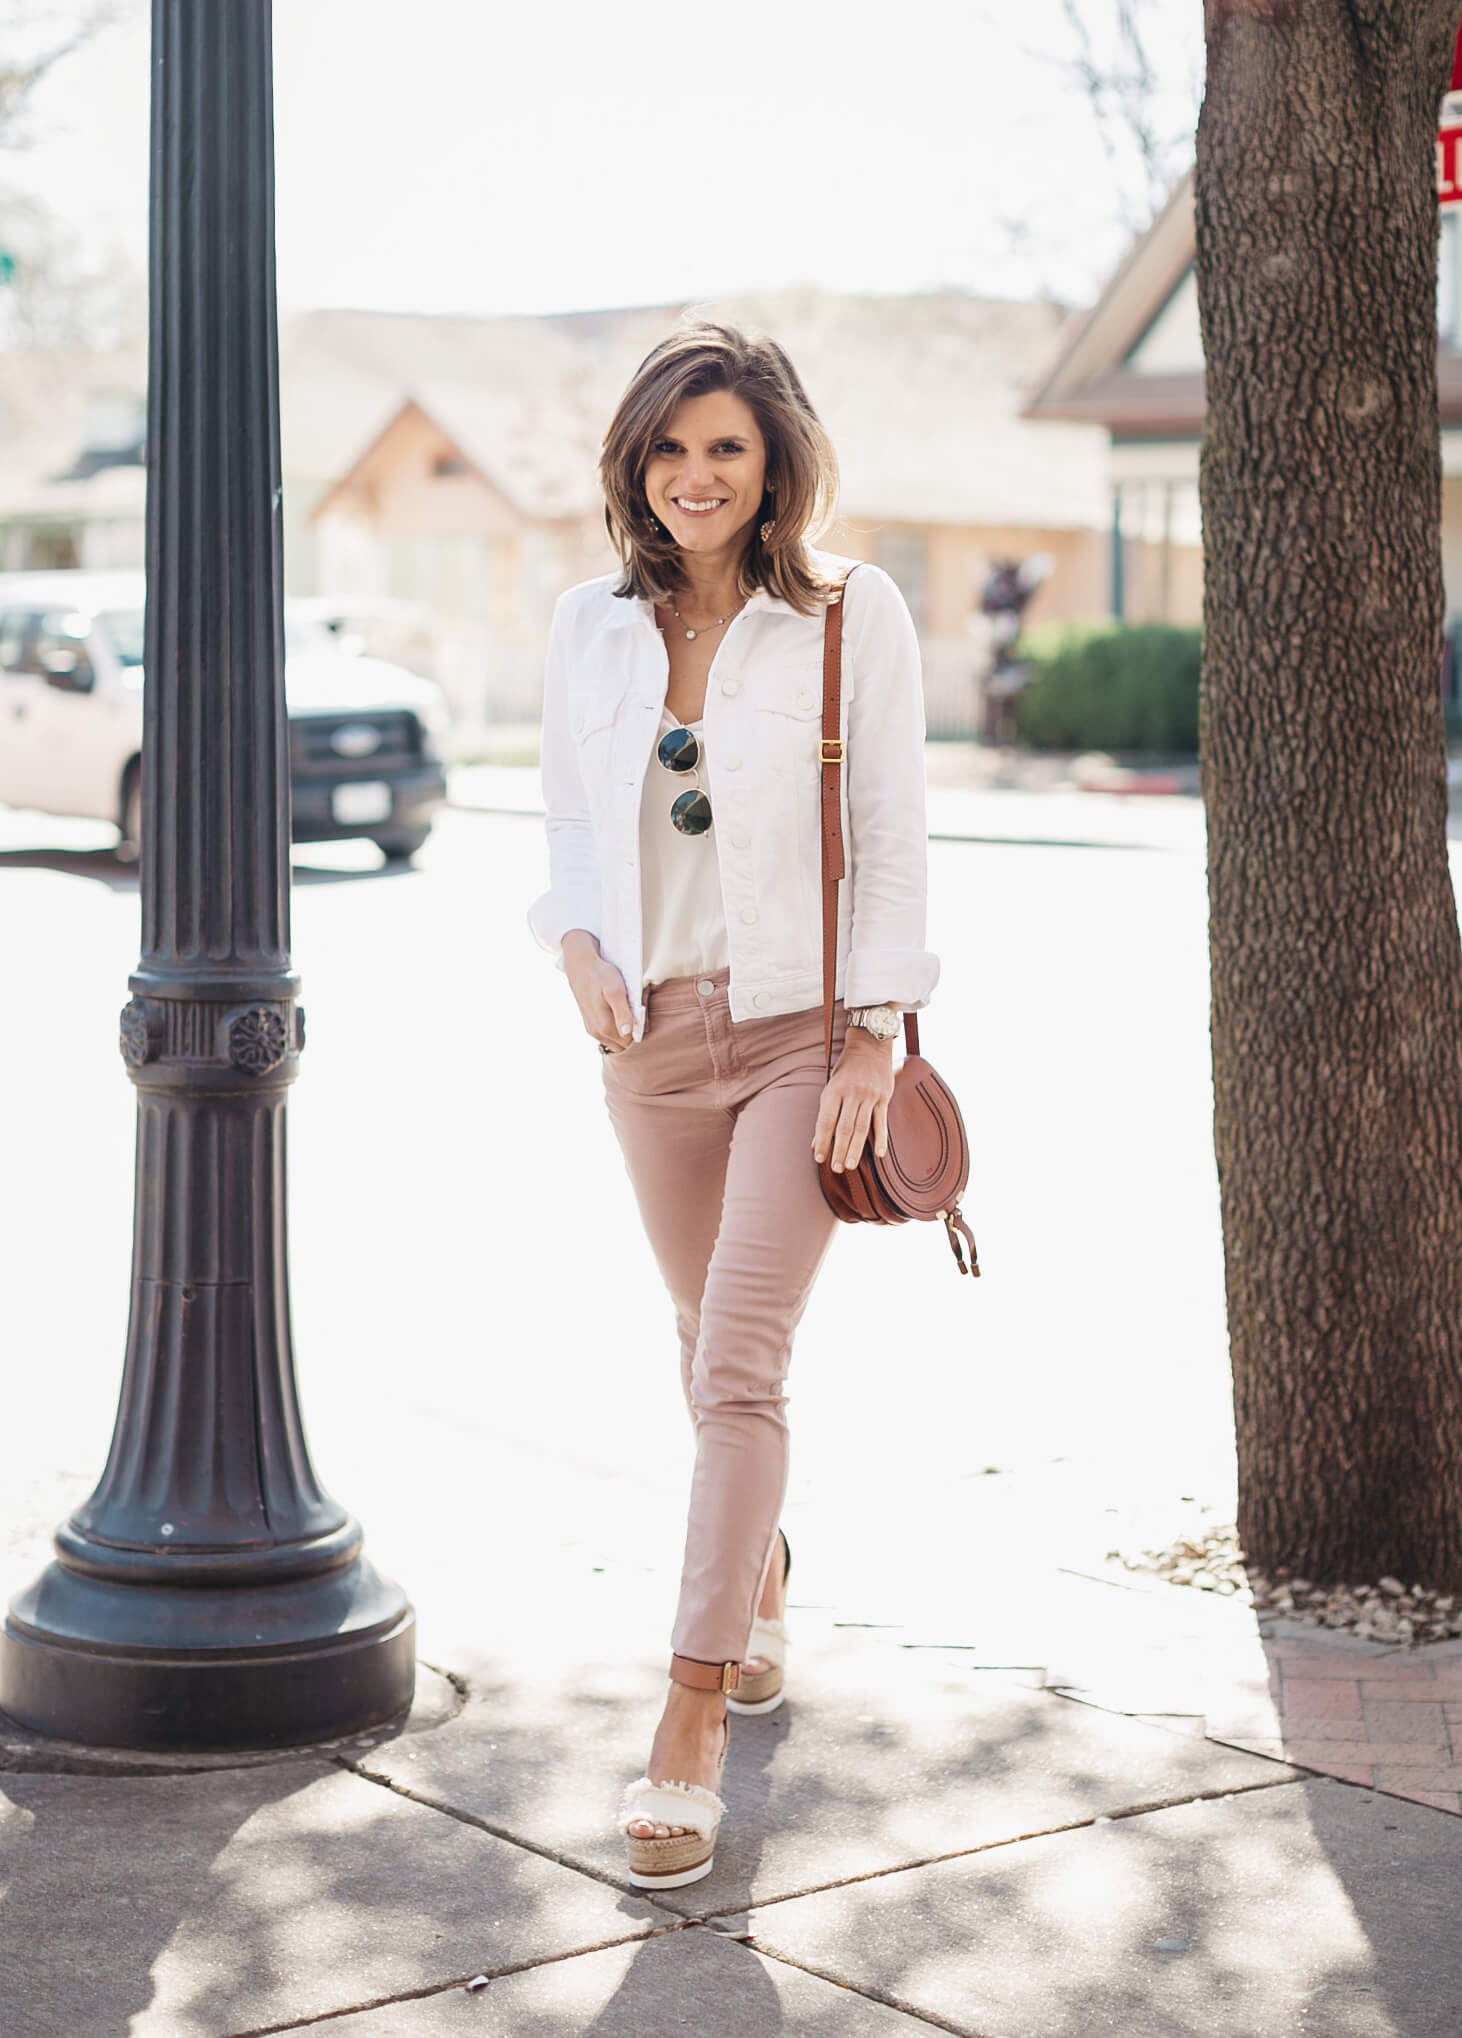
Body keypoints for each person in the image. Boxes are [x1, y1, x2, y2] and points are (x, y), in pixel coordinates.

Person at [527, 320, 938, 1889]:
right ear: (637, 464)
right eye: (672, 448)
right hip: (647, 1042)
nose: (696, 476)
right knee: (697, 1342)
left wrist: (874, 1033)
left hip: (794, 1039)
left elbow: (892, 828)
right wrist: (572, 943)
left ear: (774, 470)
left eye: (728, 450)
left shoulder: (844, 613)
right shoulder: (589, 624)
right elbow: (569, 819)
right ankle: (755, 1571)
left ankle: (688, 1712)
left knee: (739, 1365)